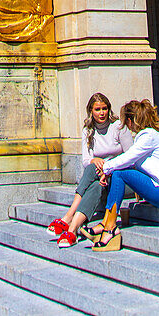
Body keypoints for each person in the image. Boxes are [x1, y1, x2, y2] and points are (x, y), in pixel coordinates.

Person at [92, 99, 159, 252]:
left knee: (119, 173)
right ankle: (107, 223)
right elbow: (131, 161)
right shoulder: (148, 135)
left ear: (130, 120)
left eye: (126, 121)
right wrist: (108, 171)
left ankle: (109, 227)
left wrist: (105, 169)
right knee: (119, 172)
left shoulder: (149, 136)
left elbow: (128, 157)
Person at [46, 93, 133, 248]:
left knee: (95, 168)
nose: (102, 113)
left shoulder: (119, 127)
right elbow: (86, 161)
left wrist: (107, 166)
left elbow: (131, 158)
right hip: (101, 180)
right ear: (91, 111)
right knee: (95, 183)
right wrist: (95, 161)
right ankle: (72, 230)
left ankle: (68, 216)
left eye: (105, 108)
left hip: (121, 180)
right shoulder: (88, 130)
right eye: (98, 109)